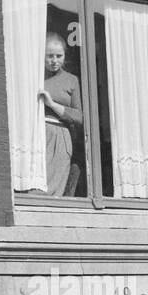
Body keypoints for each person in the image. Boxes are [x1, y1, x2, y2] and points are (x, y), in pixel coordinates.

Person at [38, 33, 83, 197]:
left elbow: (79, 116)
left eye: (59, 56)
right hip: (39, 134)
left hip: (61, 136)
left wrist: (52, 104)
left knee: (56, 186)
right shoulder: (35, 77)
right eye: (50, 56)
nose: (54, 60)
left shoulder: (71, 80)